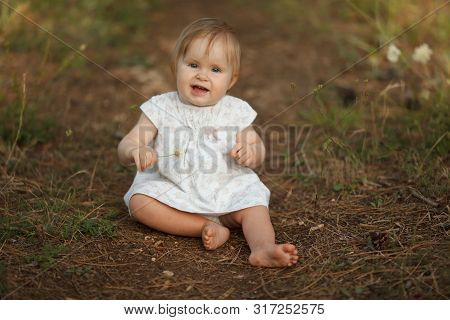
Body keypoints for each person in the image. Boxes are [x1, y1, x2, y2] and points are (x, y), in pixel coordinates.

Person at [117, 18, 298, 267]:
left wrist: (251, 152)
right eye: (193, 65)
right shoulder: (160, 107)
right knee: (140, 203)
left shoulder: (236, 110)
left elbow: (256, 146)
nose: (202, 75)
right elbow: (130, 141)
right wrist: (135, 149)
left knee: (254, 204)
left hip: (227, 190)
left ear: (231, 80)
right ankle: (204, 225)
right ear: (175, 67)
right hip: (175, 192)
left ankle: (263, 247)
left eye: (215, 69)